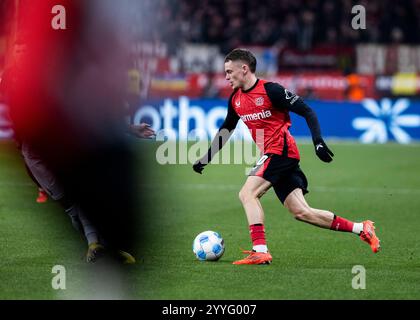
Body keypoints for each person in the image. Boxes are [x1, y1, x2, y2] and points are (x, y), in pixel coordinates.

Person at [193, 48, 381, 265]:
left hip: (280, 151)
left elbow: (307, 111)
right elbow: (226, 129)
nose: (225, 77)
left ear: (244, 69)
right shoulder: (235, 99)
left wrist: (318, 142)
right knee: (301, 212)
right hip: (276, 155)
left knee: (247, 194)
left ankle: (260, 250)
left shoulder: (271, 90)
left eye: (228, 71)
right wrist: (207, 157)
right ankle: (361, 228)